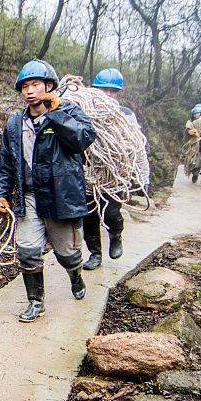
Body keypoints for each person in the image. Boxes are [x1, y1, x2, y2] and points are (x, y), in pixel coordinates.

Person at [0, 61, 98, 322]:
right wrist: (1, 194)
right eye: (25, 87)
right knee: (27, 250)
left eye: (36, 85)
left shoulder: (69, 111)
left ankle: (75, 275)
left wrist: (56, 113)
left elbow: (82, 139)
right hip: (29, 197)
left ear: (49, 86)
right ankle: (35, 302)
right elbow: (6, 161)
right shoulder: (15, 121)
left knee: (67, 253)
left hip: (60, 196)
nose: (30, 91)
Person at [81, 68, 135, 270]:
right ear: (95, 90)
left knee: (112, 212)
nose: (109, 95)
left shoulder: (125, 115)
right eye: (105, 90)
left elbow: (136, 144)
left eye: (113, 91)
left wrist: (139, 175)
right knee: (89, 216)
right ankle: (95, 253)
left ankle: (116, 235)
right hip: (89, 174)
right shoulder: (83, 111)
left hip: (114, 175)